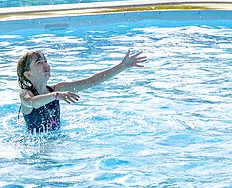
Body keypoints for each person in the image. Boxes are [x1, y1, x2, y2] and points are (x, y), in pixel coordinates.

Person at [17, 48, 146, 133]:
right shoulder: (26, 94)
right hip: (35, 148)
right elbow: (32, 103)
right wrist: (56, 96)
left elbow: (92, 81)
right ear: (28, 75)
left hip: (57, 141)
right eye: (39, 62)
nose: (45, 64)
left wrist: (122, 66)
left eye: (46, 60)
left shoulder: (58, 89)